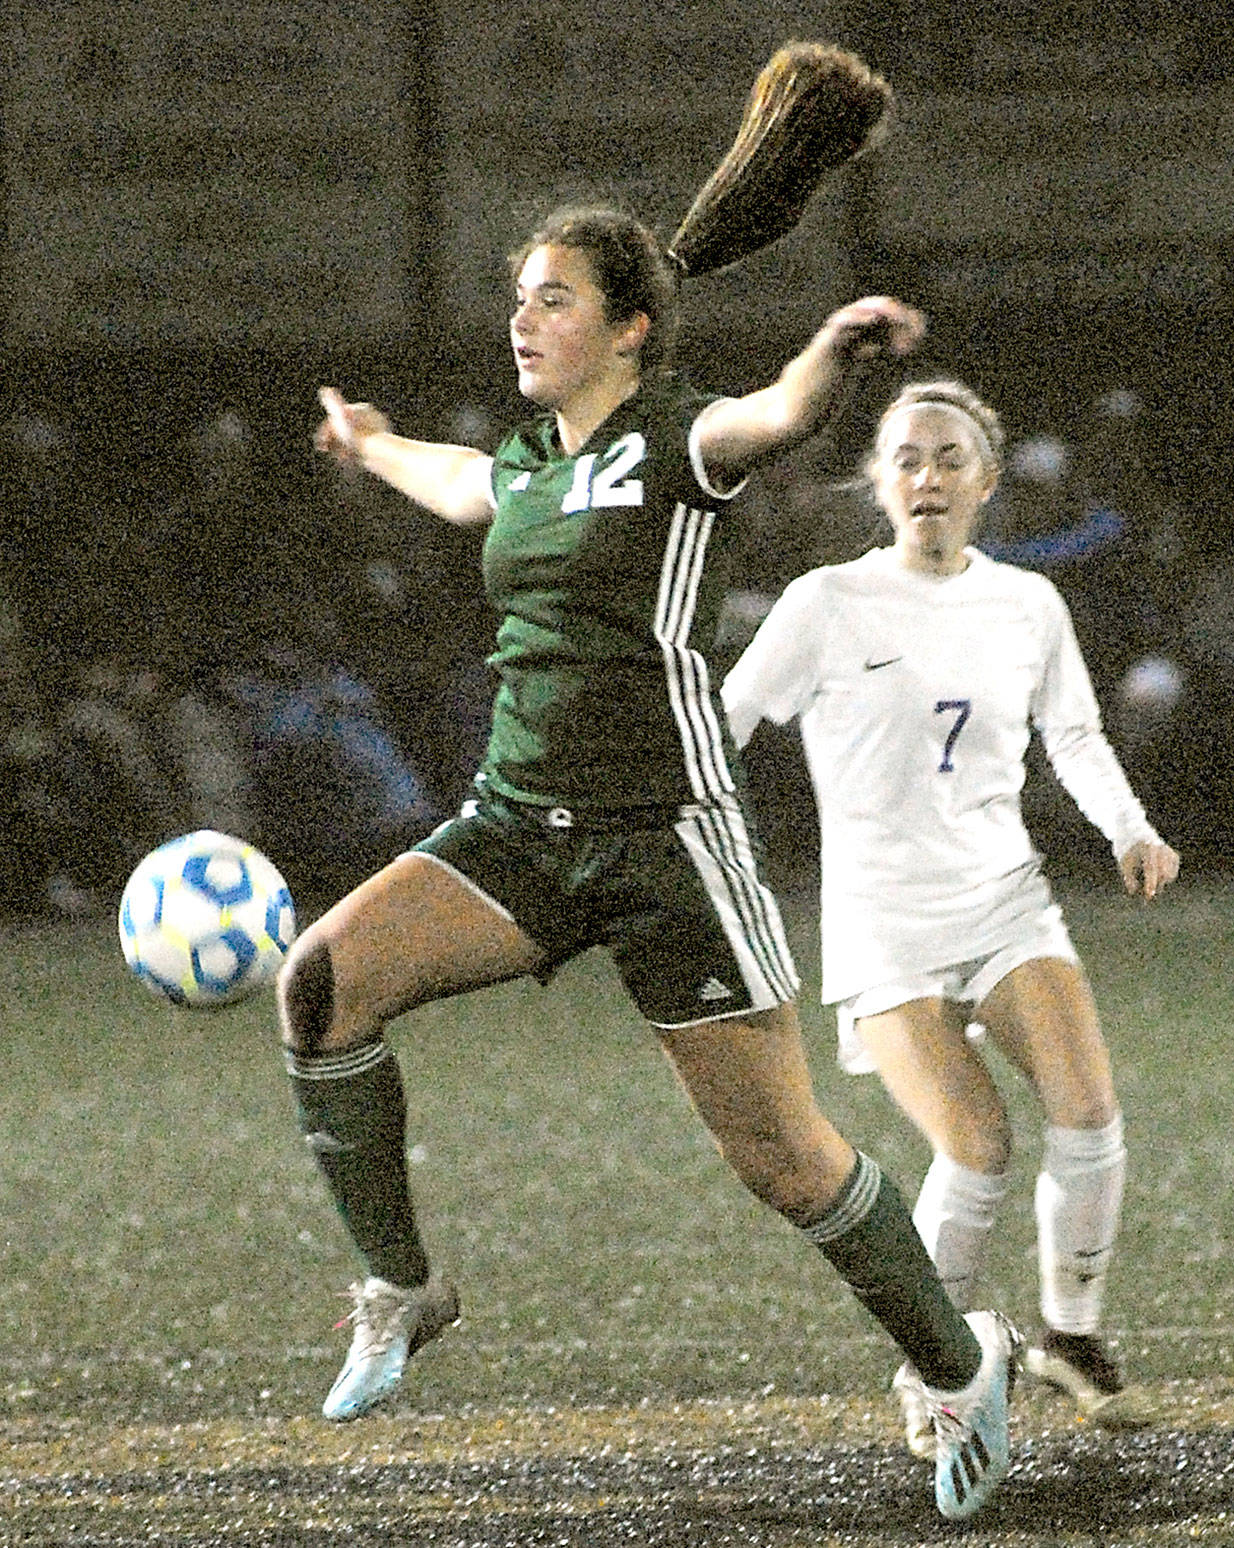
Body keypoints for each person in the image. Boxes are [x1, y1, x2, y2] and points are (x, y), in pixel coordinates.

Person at [286, 43, 1017, 1522]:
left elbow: (777, 417)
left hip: (668, 844)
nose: (523, 318)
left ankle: (958, 1364)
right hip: (515, 832)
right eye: (519, 296)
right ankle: (401, 1284)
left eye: (553, 297)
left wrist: (836, 345)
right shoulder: (532, 466)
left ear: (627, 328)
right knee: (320, 984)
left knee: (790, 1165)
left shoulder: (675, 438)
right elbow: (457, 480)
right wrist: (369, 444)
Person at [721, 378, 1180, 1460]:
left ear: (983, 481)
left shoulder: (1025, 605)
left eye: (947, 459)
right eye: (906, 460)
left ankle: (1068, 1337)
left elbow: (1072, 735)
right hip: (883, 925)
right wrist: (683, 835)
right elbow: (725, 721)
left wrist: (1126, 825)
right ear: (877, 482)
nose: (926, 477)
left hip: (1003, 899)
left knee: (1088, 1113)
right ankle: (933, 1375)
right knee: (975, 1148)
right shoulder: (824, 603)